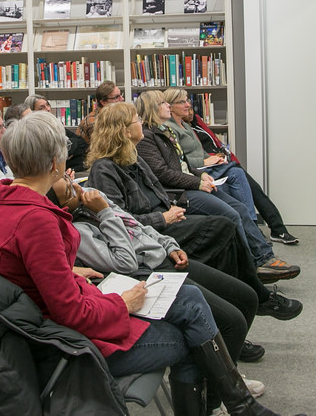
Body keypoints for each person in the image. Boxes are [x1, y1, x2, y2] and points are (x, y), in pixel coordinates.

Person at [0, 111, 284, 416]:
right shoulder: (37, 219)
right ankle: (243, 407)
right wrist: (122, 304)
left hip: (42, 322)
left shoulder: (1, 200)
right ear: (55, 162)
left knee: (190, 300)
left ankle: (243, 407)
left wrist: (67, 270)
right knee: (192, 333)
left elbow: (17, 263)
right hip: (62, 342)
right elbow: (70, 312)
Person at [50, 178, 271, 395]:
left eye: (71, 182)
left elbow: (136, 225)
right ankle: (219, 394)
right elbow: (126, 263)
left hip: (163, 256)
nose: (79, 188)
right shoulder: (78, 229)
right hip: (147, 273)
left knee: (247, 298)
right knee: (232, 321)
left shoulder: (95, 196)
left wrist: (168, 244)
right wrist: (105, 212)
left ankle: (224, 372)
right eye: (70, 191)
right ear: (62, 207)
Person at [87, 103, 302, 324]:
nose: (142, 124)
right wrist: (163, 218)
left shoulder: (134, 158)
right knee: (223, 227)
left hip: (166, 220)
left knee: (225, 228)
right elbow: (119, 221)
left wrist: (171, 209)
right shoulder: (104, 169)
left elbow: (158, 192)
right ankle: (253, 300)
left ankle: (238, 307)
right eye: (137, 121)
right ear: (124, 131)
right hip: (149, 233)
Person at [135, 91, 297, 282]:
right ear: (153, 108)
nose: (168, 106)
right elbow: (162, 174)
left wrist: (201, 174)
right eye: (163, 103)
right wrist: (198, 182)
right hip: (177, 193)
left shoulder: (165, 132)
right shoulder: (147, 137)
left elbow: (182, 164)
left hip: (188, 184)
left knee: (238, 207)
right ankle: (253, 267)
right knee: (230, 213)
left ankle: (264, 257)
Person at [163, 88, 298, 245]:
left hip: (209, 164)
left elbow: (202, 150)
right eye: (182, 102)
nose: (188, 105)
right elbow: (179, 159)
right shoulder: (170, 128)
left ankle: (255, 226)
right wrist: (205, 161)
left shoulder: (187, 125)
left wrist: (214, 159)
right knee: (237, 173)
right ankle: (255, 226)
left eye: (188, 101)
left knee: (237, 172)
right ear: (170, 105)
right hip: (197, 171)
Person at [26, 94, 88, 171]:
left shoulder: (55, 125)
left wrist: (67, 148)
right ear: (32, 112)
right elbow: (50, 154)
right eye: (42, 108)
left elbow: (82, 143)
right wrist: (69, 148)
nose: (48, 109)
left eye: (48, 105)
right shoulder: (32, 131)